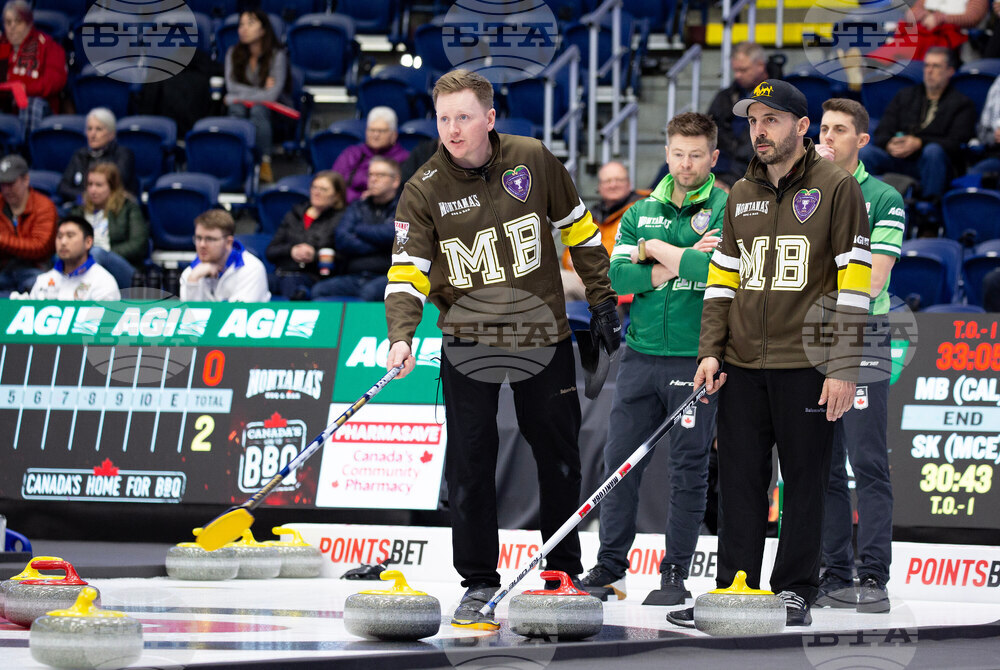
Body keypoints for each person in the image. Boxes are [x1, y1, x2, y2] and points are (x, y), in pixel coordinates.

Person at [384, 69, 620, 629]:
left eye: (464, 117)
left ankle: (561, 573)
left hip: (543, 335)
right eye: (443, 119)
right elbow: (405, 274)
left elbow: (580, 230)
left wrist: (603, 299)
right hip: (469, 342)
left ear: (489, 118)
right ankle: (478, 584)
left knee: (559, 456)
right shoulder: (422, 190)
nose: (453, 129)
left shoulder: (533, 158)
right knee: (470, 464)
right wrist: (401, 336)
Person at [666, 79, 873, 629]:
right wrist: (710, 351)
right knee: (737, 483)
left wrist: (844, 365)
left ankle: (796, 591)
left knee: (805, 482)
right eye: (754, 120)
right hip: (739, 366)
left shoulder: (837, 189)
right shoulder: (740, 194)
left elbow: (855, 287)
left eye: (772, 120)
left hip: (808, 363)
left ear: (802, 128)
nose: (759, 130)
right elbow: (720, 284)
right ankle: (735, 587)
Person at [579, 112, 726, 606]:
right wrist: (674, 265)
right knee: (619, 464)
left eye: (696, 154)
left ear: (714, 157)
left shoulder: (729, 206)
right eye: (678, 154)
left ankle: (675, 576)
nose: (686, 164)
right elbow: (615, 280)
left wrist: (654, 252)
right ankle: (609, 569)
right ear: (666, 154)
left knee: (688, 471)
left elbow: (714, 273)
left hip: (695, 359)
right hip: (639, 356)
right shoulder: (640, 211)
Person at [815, 98, 904, 614]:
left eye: (840, 129)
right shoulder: (807, 193)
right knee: (821, 465)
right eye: (823, 128)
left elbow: (872, 280)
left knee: (866, 462)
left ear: (861, 140)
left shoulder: (883, 195)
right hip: (810, 336)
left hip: (864, 334)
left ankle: (873, 577)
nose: (828, 136)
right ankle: (831, 574)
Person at [859, 47, 977, 201]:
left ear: (950, 71)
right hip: (898, 158)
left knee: (933, 151)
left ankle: (927, 212)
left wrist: (919, 143)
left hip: (929, 164)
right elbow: (882, 131)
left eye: (936, 66)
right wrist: (889, 144)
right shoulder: (906, 95)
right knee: (865, 153)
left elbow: (956, 144)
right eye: (927, 66)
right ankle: (864, 204)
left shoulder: (962, 104)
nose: (929, 71)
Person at [313, 157, 399, 301]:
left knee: (369, 293)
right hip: (354, 275)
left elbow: (394, 235)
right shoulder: (357, 206)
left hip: (388, 276)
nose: (373, 179)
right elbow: (341, 239)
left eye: (380, 175)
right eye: (370, 175)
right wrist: (381, 245)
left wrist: (359, 229)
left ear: (395, 181)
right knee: (319, 291)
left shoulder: (405, 206)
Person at [561, 160, 644, 301]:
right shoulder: (592, 216)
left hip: (622, 284)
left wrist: (590, 267)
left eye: (619, 180)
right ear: (599, 187)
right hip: (591, 282)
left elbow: (632, 253)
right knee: (549, 279)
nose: (613, 185)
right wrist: (575, 262)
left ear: (629, 183)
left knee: (559, 282)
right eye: (607, 181)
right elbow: (569, 253)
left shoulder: (641, 210)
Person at [224, 9, 287, 184]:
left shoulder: (277, 56)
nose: (243, 29)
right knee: (236, 108)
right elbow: (231, 87)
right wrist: (260, 91)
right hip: (243, 109)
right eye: (241, 24)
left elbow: (272, 96)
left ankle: (264, 164)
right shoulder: (232, 53)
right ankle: (235, 160)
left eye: (250, 24)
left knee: (258, 109)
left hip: (273, 115)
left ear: (263, 29)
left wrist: (239, 95)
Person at [266, 170, 346, 300]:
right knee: (256, 280)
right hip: (282, 272)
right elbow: (270, 252)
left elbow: (344, 256)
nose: (316, 192)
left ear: (336, 196)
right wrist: (291, 250)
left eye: (324, 189)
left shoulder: (342, 218)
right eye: (314, 187)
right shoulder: (294, 214)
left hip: (313, 276)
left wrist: (314, 255)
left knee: (292, 284)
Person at [69, 163, 148, 289]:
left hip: (124, 269)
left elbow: (139, 244)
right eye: (90, 184)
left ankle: (81, 294)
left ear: (112, 187)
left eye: (99, 185)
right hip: (84, 263)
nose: (93, 190)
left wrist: (107, 253)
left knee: (97, 253)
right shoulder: (79, 211)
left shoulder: (128, 208)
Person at [707, 42, 770, 188]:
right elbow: (706, 130)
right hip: (721, 161)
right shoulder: (725, 96)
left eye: (743, 70)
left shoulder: (779, 98)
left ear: (760, 65)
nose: (737, 75)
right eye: (735, 70)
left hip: (754, 164)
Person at [0, 0, 66, 136]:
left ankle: (28, 154)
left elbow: (55, 82)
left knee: (30, 105)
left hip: (39, 106)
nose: (12, 27)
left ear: (29, 23)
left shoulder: (48, 46)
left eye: (17, 22)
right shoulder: (2, 47)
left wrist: (25, 89)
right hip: (8, 106)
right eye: (8, 22)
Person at [18, 216, 120, 300]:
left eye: (70, 236)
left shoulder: (103, 282)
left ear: (88, 242)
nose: (63, 242)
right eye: (59, 236)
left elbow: (107, 324)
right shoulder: (44, 280)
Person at [180, 209, 270, 302]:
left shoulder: (252, 269)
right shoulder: (191, 274)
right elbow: (189, 315)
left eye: (210, 239)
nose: (202, 245)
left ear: (228, 242)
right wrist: (193, 281)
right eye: (198, 238)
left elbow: (238, 314)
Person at [0, 153, 56, 293]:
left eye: (11, 184)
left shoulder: (44, 206)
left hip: (35, 269)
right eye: (3, 184)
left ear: (25, 180)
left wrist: (1, 240)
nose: (6, 190)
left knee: (45, 288)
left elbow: (39, 247)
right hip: (3, 270)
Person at [58, 108, 138, 203]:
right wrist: (83, 199)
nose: (93, 134)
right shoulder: (80, 155)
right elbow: (63, 187)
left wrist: (94, 198)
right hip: (82, 205)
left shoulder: (123, 154)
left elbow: (116, 185)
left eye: (98, 129)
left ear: (111, 134)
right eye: (89, 129)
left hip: (113, 207)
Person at [333, 106, 409, 203]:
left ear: (394, 135)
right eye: (372, 130)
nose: (375, 135)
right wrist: (359, 197)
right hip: (348, 205)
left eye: (381, 131)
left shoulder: (404, 158)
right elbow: (336, 184)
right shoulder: (352, 153)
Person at [968, 71, 1000, 175]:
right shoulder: (998, 83)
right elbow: (983, 132)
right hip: (996, 155)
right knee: (973, 180)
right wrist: (993, 136)